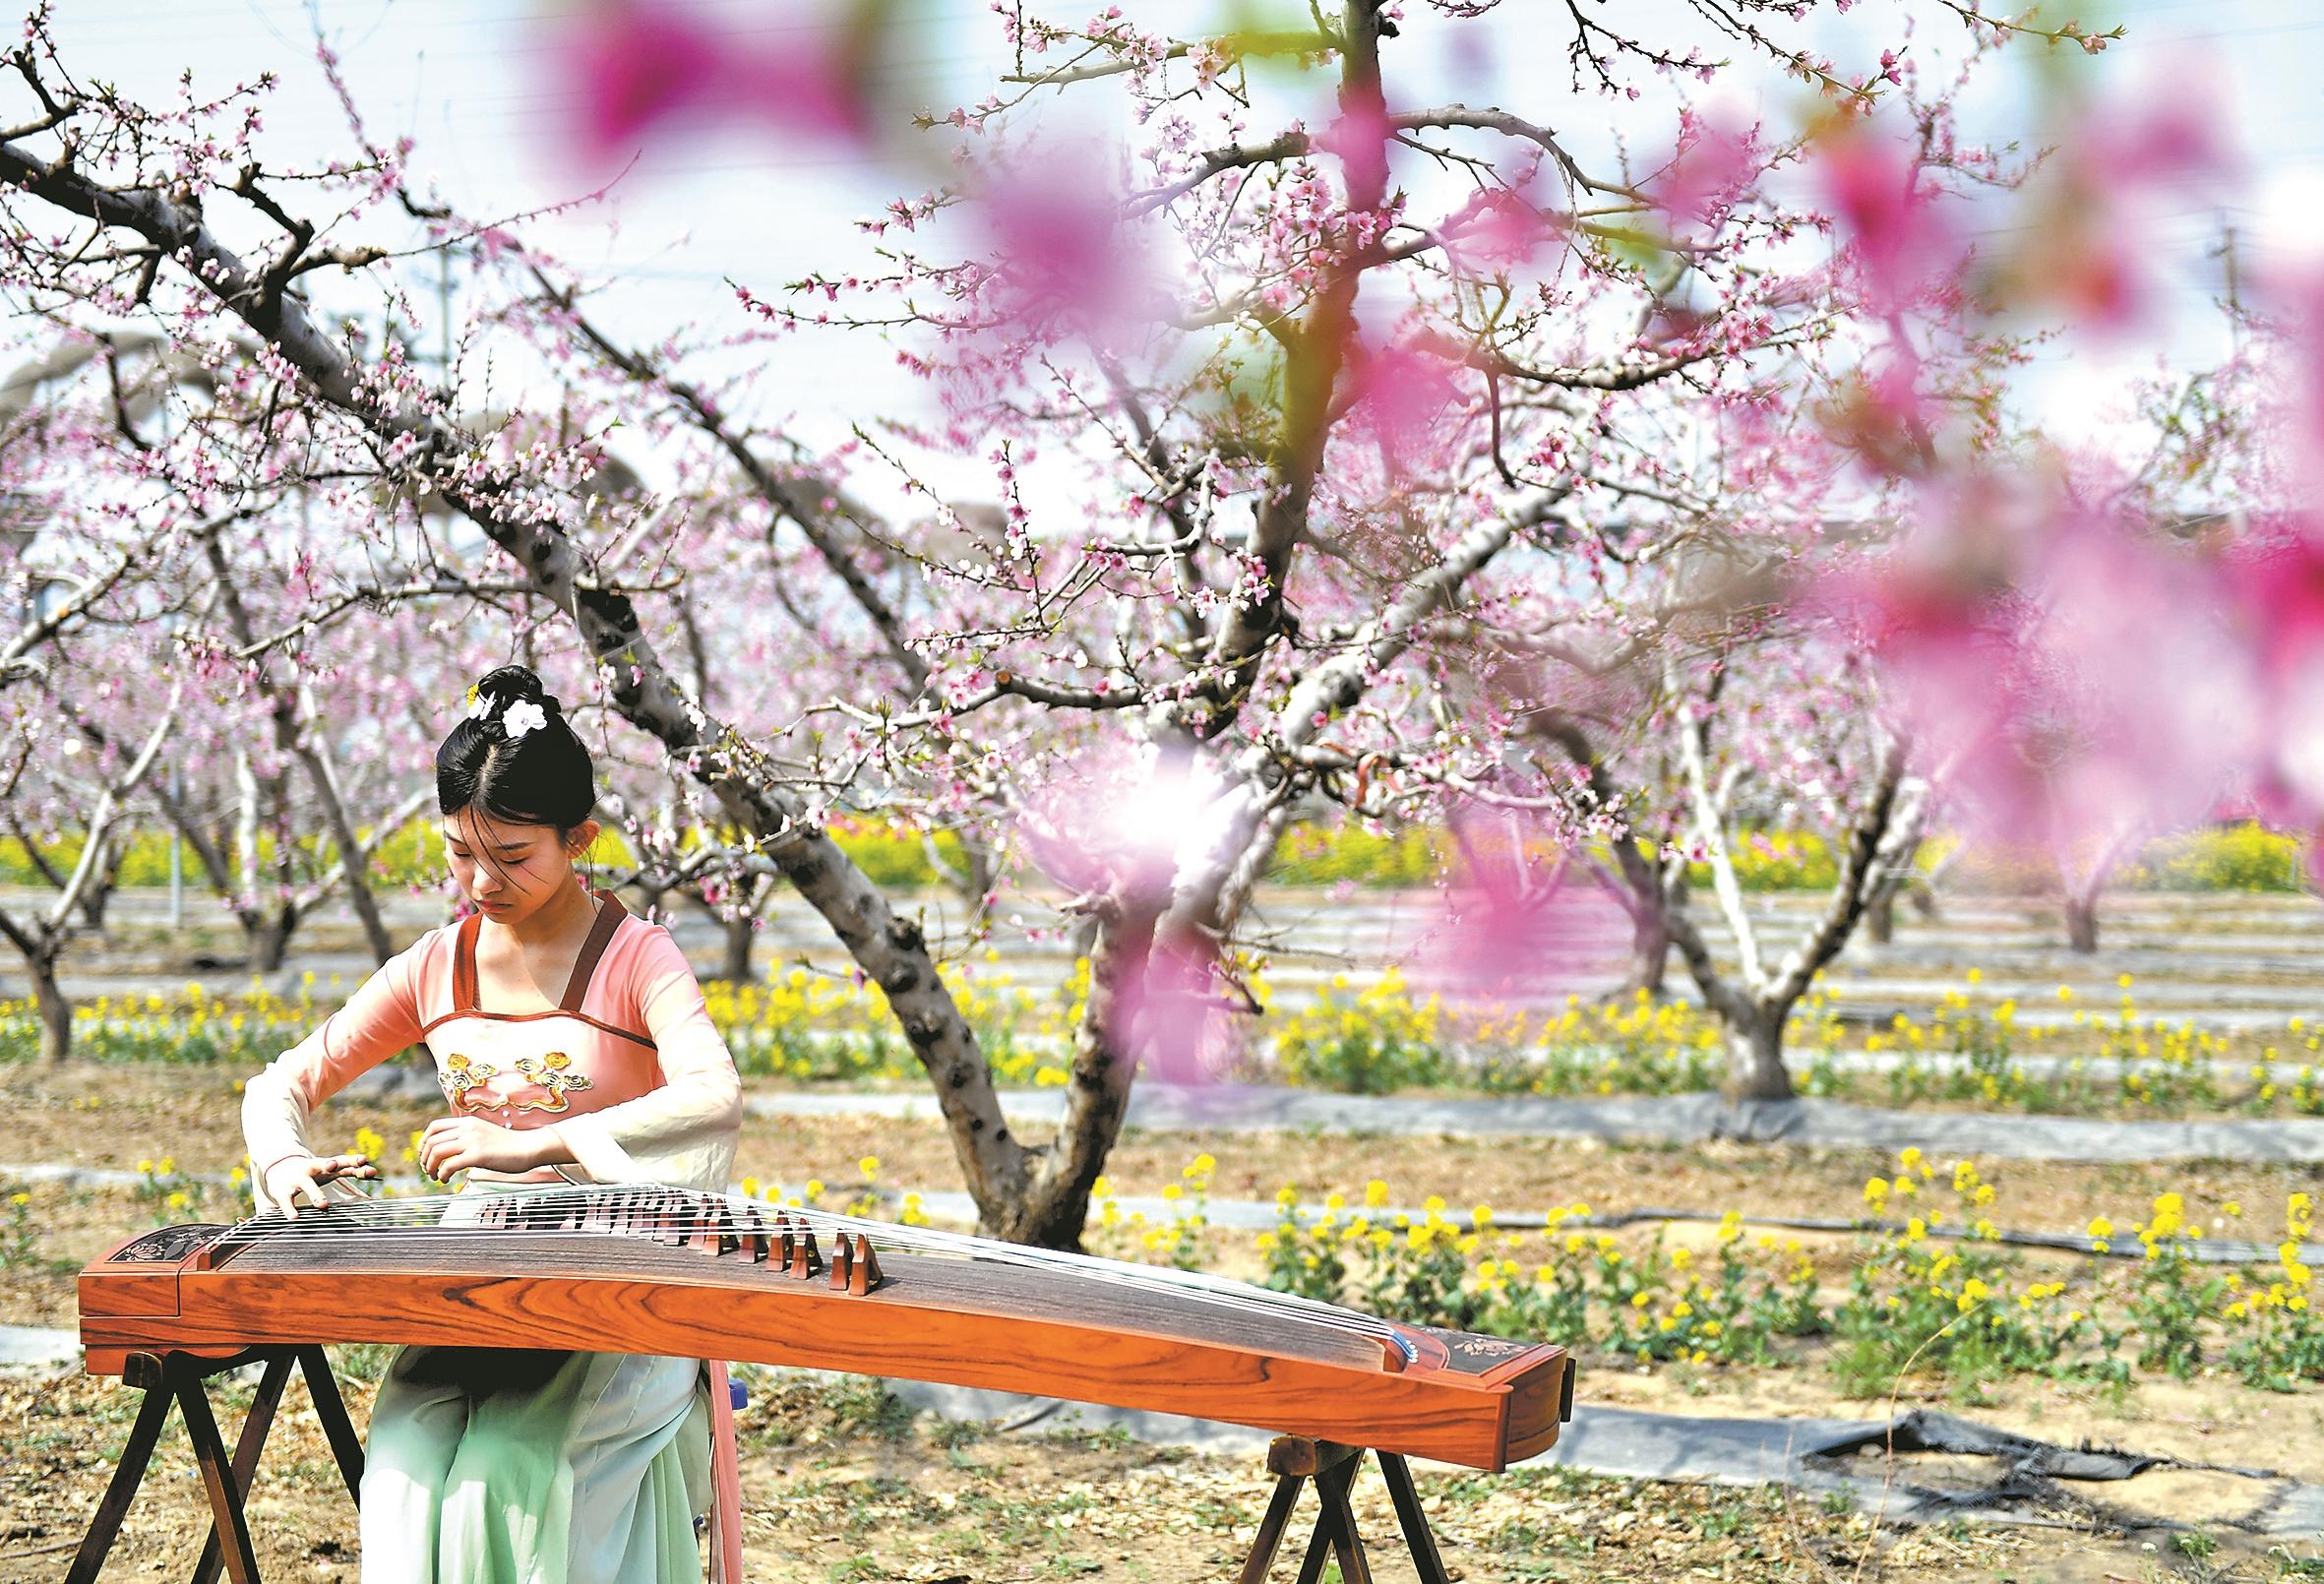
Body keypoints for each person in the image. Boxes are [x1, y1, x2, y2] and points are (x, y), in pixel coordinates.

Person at [241, 664, 744, 1584]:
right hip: (469, 1283)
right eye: (460, 853)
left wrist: (539, 1144)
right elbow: (282, 1083)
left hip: (613, 1282)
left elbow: (716, 1094)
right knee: (399, 1475)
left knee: (504, 1477)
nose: (481, 881)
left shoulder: (636, 957)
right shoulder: (437, 966)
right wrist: (284, 1165)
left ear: (579, 838)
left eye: (513, 856)